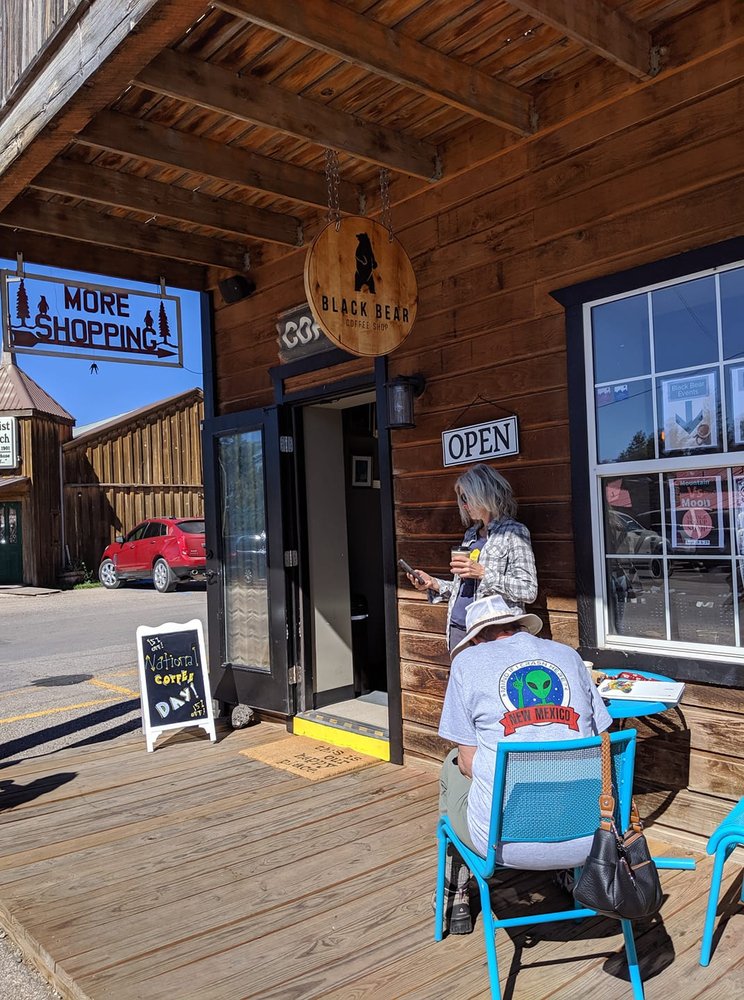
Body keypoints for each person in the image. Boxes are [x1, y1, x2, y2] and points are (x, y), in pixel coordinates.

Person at [437, 594, 613, 934]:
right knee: (567, 765)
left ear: (476, 637)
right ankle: (568, 873)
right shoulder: (568, 655)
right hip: (592, 838)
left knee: (451, 765)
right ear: (519, 626)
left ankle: (455, 892)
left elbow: (468, 765)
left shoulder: (467, 663)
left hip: (503, 844)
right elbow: (601, 737)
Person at [405, 464, 537, 652]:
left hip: (492, 633)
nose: (464, 505)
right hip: (459, 628)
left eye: (466, 497)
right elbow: (463, 589)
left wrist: (483, 573)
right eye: (462, 499)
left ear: (483, 494)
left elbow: (528, 590)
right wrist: (433, 583)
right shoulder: (470, 535)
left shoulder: (514, 532)